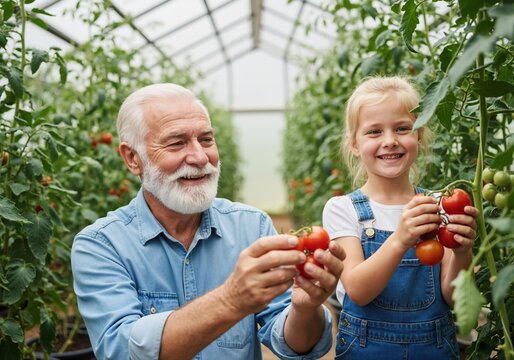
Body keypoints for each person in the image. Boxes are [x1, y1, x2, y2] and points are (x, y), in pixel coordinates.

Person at [71, 83, 345, 360]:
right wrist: (231, 299)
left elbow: (294, 345)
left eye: (206, 139)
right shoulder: (101, 246)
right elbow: (120, 351)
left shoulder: (251, 227)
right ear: (132, 158)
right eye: (176, 142)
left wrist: (305, 308)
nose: (200, 157)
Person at [322, 76, 479, 359]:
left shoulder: (438, 205)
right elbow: (357, 290)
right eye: (374, 132)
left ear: (419, 135)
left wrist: (462, 253)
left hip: (434, 349)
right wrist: (400, 239)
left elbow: (452, 297)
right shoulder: (342, 209)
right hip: (366, 349)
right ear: (354, 144)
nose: (390, 141)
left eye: (402, 128)